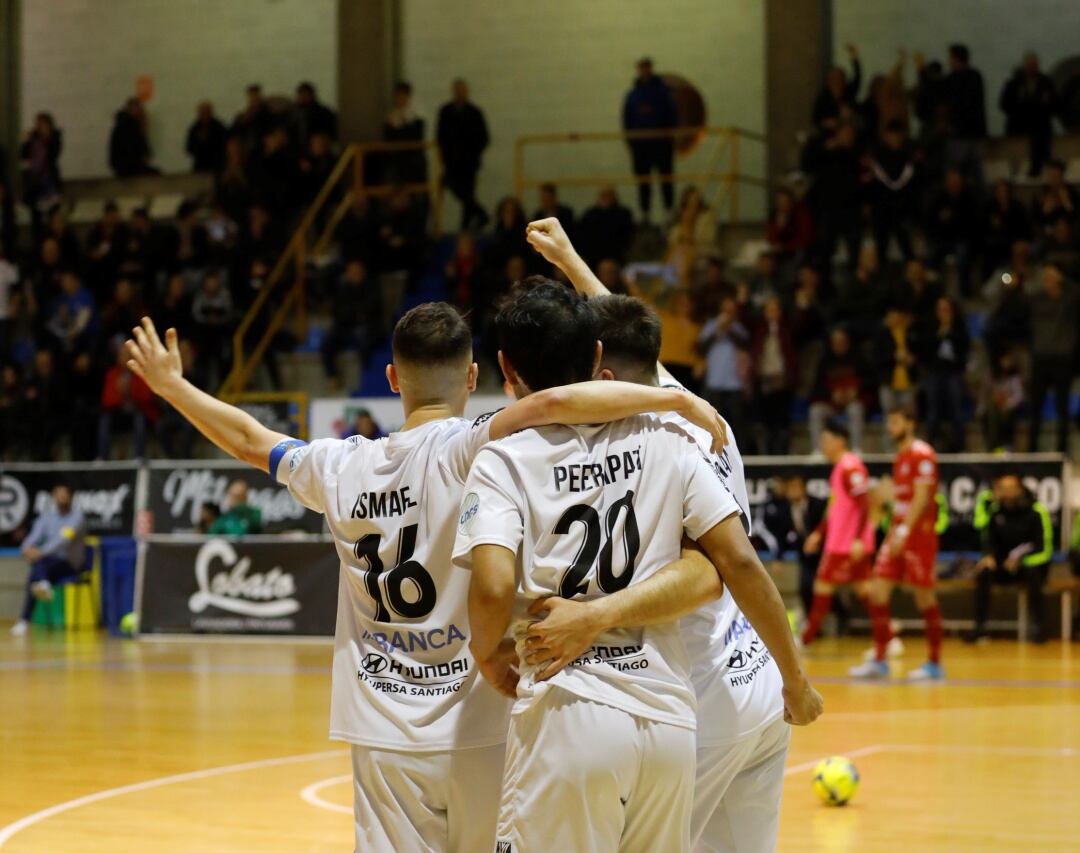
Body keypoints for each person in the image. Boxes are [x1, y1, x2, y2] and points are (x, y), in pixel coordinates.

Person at [125, 310, 732, 853]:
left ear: (393, 379)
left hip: (383, 726)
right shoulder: (472, 449)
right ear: (472, 377)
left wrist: (173, 386)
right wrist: (674, 401)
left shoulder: (337, 467)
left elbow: (249, 440)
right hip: (481, 716)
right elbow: (552, 403)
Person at [455, 281, 819, 852]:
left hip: (568, 704)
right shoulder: (670, 437)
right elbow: (725, 567)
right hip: (667, 716)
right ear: (597, 355)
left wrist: (487, 652)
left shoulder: (500, 455)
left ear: (503, 367)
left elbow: (494, 583)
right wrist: (794, 679)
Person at [853, 408, 944, 680]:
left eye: (895, 422)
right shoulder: (901, 456)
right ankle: (880, 659)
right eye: (889, 422)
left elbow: (922, 498)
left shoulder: (922, 454)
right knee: (877, 592)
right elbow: (902, 500)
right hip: (898, 531)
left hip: (918, 535)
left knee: (924, 596)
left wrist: (904, 531)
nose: (890, 427)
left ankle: (935, 663)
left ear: (910, 423)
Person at [800, 418, 875, 647]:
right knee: (864, 590)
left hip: (846, 544)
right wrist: (819, 533)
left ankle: (805, 639)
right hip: (841, 542)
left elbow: (864, 503)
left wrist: (857, 539)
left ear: (840, 441)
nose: (822, 445)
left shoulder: (851, 467)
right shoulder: (840, 467)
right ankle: (888, 636)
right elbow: (834, 510)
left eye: (826, 440)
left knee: (823, 587)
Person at [967, 474, 1053, 644]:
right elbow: (988, 540)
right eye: (1002, 488)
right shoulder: (995, 511)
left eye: (1010, 488)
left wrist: (1020, 559)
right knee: (984, 572)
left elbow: (1042, 546)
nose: (1006, 492)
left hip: (1030, 564)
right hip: (1004, 566)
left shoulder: (1036, 511)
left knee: (1033, 576)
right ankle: (979, 627)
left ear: (1020, 490)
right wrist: (989, 556)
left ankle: (1040, 628)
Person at [10, 484, 87, 636]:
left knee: (38, 568)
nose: (61, 499)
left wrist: (40, 552)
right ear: (53, 497)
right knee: (37, 573)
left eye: (64, 495)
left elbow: (63, 541)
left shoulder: (77, 518)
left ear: (71, 498)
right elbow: (34, 536)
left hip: (69, 565)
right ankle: (42, 584)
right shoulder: (46, 517)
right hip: (46, 564)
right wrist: (25, 548)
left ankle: (25, 620)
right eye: (58, 495)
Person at [1027, 262, 1078, 453]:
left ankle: (1061, 451)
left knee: (1062, 406)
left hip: (1063, 358)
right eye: (1046, 275)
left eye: (1052, 275)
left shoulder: (1070, 297)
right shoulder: (1037, 298)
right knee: (1035, 406)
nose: (1048, 279)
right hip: (1041, 357)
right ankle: (1032, 450)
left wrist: (1064, 282)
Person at [622, 58, 678, 219]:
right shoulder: (633, 95)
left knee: (666, 178)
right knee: (643, 181)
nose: (644, 71)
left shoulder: (663, 91)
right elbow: (627, 120)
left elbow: (672, 114)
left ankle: (668, 211)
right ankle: (645, 214)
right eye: (642, 68)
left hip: (661, 143)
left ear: (651, 69)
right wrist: (631, 141)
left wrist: (669, 136)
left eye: (646, 67)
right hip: (641, 145)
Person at [436, 79, 489, 231]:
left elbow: (484, 137)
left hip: (469, 162)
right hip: (451, 161)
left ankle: (466, 226)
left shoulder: (474, 112)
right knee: (459, 190)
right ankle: (480, 214)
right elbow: (440, 136)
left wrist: (473, 153)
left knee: (468, 192)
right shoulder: (446, 111)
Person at [698, 293, 750, 445]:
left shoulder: (738, 327)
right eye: (725, 309)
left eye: (731, 310)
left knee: (737, 423)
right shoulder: (711, 325)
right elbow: (701, 348)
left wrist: (728, 328)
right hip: (714, 382)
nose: (728, 312)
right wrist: (717, 329)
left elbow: (744, 344)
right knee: (713, 421)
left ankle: (739, 452)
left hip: (734, 383)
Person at [321, 259, 381, 390]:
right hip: (344, 326)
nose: (354, 275)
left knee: (363, 337)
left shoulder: (371, 287)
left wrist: (352, 314)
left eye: (356, 272)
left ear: (363, 272)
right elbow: (337, 310)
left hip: (364, 326)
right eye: (351, 272)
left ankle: (367, 374)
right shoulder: (342, 288)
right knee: (326, 344)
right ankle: (332, 377)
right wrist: (353, 314)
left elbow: (369, 309)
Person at [921, 297, 969, 453]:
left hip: (953, 373)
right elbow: (925, 351)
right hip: (934, 373)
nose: (943, 313)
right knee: (933, 411)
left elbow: (964, 349)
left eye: (946, 309)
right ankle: (929, 446)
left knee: (956, 410)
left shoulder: (959, 328)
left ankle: (960, 447)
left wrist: (950, 333)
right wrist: (940, 334)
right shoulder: (931, 327)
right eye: (940, 310)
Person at [808, 327, 866, 453]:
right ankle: (818, 450)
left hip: (852, 403)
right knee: (815, 411)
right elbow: (817, 388)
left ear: (848, 342)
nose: (839, 345)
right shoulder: (825, 362)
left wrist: (855, 393)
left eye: (842, 341)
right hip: (831, 404)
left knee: (856, 409)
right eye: (836, 342)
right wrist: (831, 395)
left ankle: (856, 449)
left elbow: (868, 383)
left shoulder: (859, 360)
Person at [1000, 53, 1058, 177]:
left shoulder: (1046, 82)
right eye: (1030, 64)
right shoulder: (1014, 83)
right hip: (1018, 125)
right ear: (1025, 65)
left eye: (1034, 64)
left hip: (1040, 125)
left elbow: (1055, 104)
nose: (1032, 67)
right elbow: (1004, 104)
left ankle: (1039, 169)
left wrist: (1044, 104)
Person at [941, 44, 987, 183]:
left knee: (958, 174)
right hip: (974, 133)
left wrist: (952, 123)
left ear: (956, 59)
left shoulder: (953, 79)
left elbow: (959, 105)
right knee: (975, 175)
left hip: (960, 134)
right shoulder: (975, 77)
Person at [576, 185, 634, 267]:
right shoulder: (590, 214)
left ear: (615, 197)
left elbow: (626, 237)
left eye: (609, 195)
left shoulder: (624, 214)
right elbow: (583, 236)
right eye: (603, 195)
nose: (606, 198)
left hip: (616, 256)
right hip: (593, 257)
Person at [20, 112, 63, 221]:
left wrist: (47, 138)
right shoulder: (34, 138)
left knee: (53, 213)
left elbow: (54, 154)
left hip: (49, 179)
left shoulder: (55, 137)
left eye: (44, 124)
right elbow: (23, 155)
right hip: (35, 181)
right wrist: (26, 141)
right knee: (36, 214)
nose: (41, 127)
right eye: (39, 124)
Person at [812, 44, 861, 132]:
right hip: (829, 135)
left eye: (839, 78)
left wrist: (854, 56)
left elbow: (857, 77)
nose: (836, 82)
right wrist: (825, 123)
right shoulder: (823, 98)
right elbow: (815, 120)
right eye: (834, 78)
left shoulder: (849, 93)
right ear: (828, 81)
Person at [109, 98, 157, 177]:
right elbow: (133, 149)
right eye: (136, 109)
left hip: (124, 167)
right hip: (129, 168)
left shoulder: (124, 125)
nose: (139, 112)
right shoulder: (130, 126)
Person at [186, 101, 228, 173]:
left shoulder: (219, 127)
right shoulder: (194, 128)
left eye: (206, 112)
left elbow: (224, 145)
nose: (204, 115)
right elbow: (189, 148)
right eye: (202, 112)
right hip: (200, 165)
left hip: (216, 165)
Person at [294, 81, 338, 146]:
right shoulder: (293, 113)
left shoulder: (324, 113)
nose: (303, 98)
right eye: (301, 95)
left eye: (305, 95)